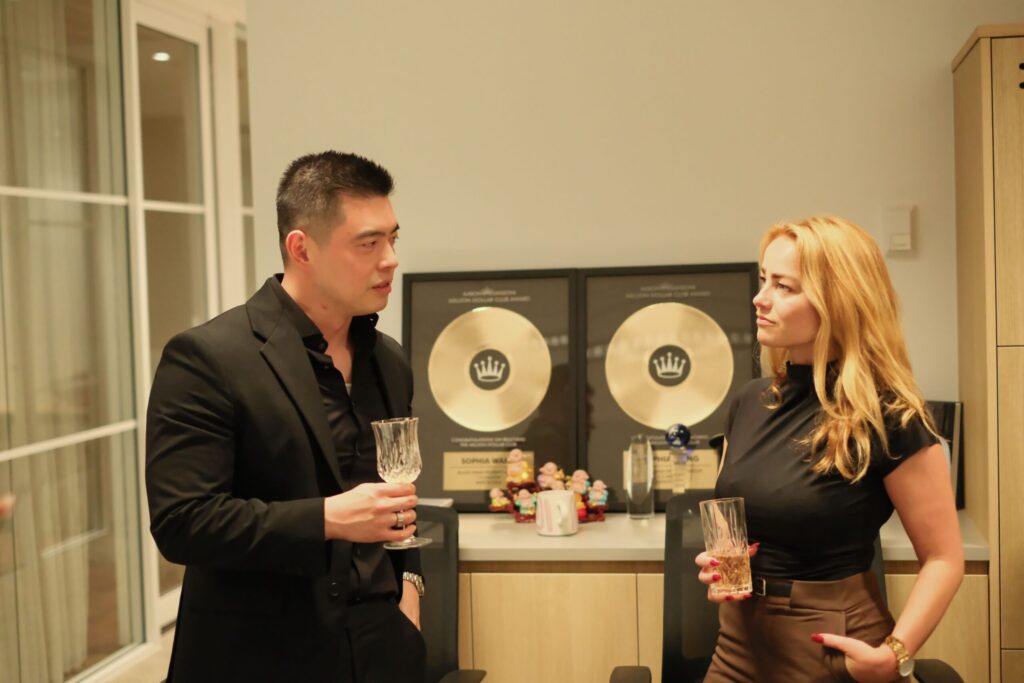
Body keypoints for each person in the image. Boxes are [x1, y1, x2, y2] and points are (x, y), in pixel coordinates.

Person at [146, 151, 427, 682]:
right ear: (302, 248)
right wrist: (327, 518)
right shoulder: (209, 357)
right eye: (368, 243)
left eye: (393, 239)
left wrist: (410, 588)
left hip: (382, 651)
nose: (390, 259)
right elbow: (183, 523)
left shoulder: (388, 360)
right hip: (261, 659)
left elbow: (397, 498)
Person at [695, 217, 963, 682]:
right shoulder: (749, 402)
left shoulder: (889, 416)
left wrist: (894, 653)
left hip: (829, 643)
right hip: (738, 641)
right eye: (764, 280)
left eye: (783, 286)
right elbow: (735, 520)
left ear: (838, 300)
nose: (760, 298)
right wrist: (718, 570)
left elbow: (944, 559)